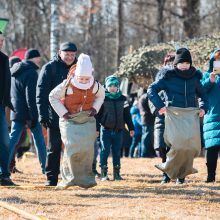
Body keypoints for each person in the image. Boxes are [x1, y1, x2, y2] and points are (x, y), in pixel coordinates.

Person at [147, 48, 208, 184]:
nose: (185, 66)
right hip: (173, 115)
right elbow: (151, 89)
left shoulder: (195, 77)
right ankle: (167, 174)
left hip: (190, 116)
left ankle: (181, 176)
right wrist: (160, 106)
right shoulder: (168, 77)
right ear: (176, 64)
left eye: (187, 63)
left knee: (189, 147)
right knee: (175, 145)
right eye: (182, 63)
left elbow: (203, 95)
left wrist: (204, 108)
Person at [49, 53, 105, 189]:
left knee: (86, 149)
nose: (85, 81)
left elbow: (101, 95)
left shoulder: (95, 85)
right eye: (81, 78)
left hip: (87, 118)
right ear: (77, 75)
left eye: (87, 78)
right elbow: (52, 97)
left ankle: (85, 178)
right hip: (69, 119)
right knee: (72, 147)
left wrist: (95, 108)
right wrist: (64, 113)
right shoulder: (67, 85)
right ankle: (68, 178)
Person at [37, 42, 78, 186]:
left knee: (73, 148)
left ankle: (74, 177)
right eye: (67, 54)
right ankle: (51, 178)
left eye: (72, 55)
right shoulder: (49, 68)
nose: (69, 57)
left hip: (75, 116)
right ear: (59, 52)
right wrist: (42, 115)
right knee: (54, 148)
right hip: (54, 115)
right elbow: (41, 94)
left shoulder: (79, 68)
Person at [9, 49, 47, 174]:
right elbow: (30, 97)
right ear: (33, 58)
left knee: (12, 140)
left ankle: (3, 167)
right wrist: (34, 116)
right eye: (38, 58)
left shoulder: (15, 71)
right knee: (39, 140)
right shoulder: (31, 72)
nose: (39, 61)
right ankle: (45, 168)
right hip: (29, 113)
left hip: (16, 111)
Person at [96, 75, 134, 181]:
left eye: (115, 86)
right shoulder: (103, 98)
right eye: (110, 86)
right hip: (106, 130)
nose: (112, 88)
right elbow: (98, 116)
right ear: (106, 87)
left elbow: (127, 115)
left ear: (118, 87)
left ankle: (117, 174)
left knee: (117, 152)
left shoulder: (123, 99)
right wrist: (97, 129)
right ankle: (104, 173)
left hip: (119, 131)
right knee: (105, 150)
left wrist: (131, 128)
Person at [149, 53, 175, 183]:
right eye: (168, 62)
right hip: (161, 116)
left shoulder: (178, 79)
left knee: (173, 146)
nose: (170, 64)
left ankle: (169, 174)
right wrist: (157, 109)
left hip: (174, 117)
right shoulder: (159, 78)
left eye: (172, 62)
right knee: (160, 146)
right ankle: (166, 168)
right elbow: (151, 96)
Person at [201, 49, 220, 183]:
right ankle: (210, 175)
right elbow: (200, 90)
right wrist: (210, 80)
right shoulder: (207, 75)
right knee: (212, 148)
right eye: (218, 60)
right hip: (213, 116)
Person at [0, 31, 16, 186]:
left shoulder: (4, 59)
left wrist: (6, 105)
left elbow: (6, 84)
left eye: (2, 40)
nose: (1, 43)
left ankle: (4, 175)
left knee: (5, 141)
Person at [139, 92, 155, 158]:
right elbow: (151, 108)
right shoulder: (147, 96)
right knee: (147, 137)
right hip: (148, 119)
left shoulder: (142, 96)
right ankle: (145, 154)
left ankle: (145, 153)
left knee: (145, 137)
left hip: (145, 119)